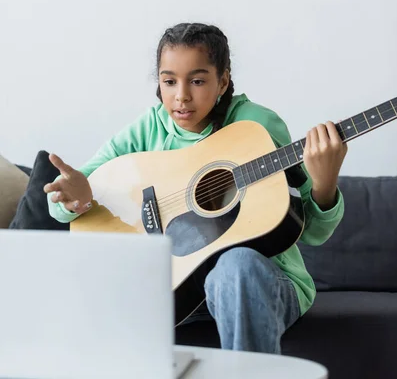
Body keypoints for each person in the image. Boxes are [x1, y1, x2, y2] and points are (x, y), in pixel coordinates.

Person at [44, 22, 347, 354]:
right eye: (169, 81)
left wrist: (325, 181)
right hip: (173, 290)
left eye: (198, 81)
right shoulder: (148, 128)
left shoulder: (257, 126)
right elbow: (71, 198)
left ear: (224, 81)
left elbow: (313, 232)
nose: (181, 96)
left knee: (237, 264)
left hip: (259, 284)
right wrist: (73, 198)